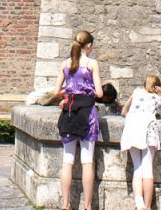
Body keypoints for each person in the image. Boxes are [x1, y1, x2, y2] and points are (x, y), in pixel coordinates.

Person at [54, 30, 103, 210]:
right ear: (88, 46)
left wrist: (69, 93)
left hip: (68, 112)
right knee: (87, 160)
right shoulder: (91, 64)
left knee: (67, 160)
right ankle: (87, 206)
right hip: (86, 114)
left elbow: (55, 91)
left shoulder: (65, 64)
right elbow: (99, 93)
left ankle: (65, 204)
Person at [120, 75, 161, 210]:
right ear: (156, 87)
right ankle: (147, 206)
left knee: (137, 168)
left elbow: (124, 111)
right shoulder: (157, 98)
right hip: (147, 130)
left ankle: (138, 202)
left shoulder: (136, 92)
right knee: (147, 168)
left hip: (132, 129)